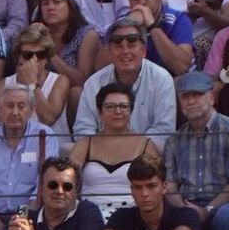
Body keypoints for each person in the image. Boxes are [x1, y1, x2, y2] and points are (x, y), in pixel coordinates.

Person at [162, 68, 229, 230]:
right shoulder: (174, 140)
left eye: (197, 95)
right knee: (165, 215)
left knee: (226, 216)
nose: (191, 101)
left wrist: (208, 209)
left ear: (211, 98)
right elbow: (170, 185)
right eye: (185, 97)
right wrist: (184, 210)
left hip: (226, 204)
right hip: (187, 205)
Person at [0, 85, 62, 230]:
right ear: (0, 109)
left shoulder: (45, 137)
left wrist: (20, 218)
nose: (15, 112)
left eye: (21, 106)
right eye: (9, 106)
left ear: (31, 110)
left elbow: (43, 187)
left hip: (30, 216)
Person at [74, 15, 176, 144]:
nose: (125, 51)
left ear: (144, 51)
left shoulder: (162, 79)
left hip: (146, 152)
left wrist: (129, 149)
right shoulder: (94, 83)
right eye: (118, 46)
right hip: (101, 151)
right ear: (110, 52)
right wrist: (106, 149)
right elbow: (83, 129)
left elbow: (164, 131)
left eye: (132, 45)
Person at [68, 80, 161, 215]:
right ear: (100, 112)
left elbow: (156, 183)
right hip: (89, 214)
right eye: (110, 106)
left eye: (123, 106)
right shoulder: (86, 143)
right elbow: (66, 176)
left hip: (132, 214)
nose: (118, 111)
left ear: (131, 111)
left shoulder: (145, 144)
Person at [0, 155, 105, 230]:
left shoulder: (88, 211)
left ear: (77, 191)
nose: (59, 191)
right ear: (41, 188)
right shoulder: (25, 214)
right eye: (52, 185)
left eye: (67, 186)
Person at [95, 153, 202, 230]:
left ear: (164, 187)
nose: (144, 193)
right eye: (138, 187)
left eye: (151, 186)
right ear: (131, 190)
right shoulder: (122, 216)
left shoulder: (187, 215)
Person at [34, 0, 105, 102]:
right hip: (42, 90)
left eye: (57, 2)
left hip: (74, 95)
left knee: (76, 92)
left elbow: (82, 81)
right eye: (45, 3)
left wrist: (50, 52)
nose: (50, 7)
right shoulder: (35, 33)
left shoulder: (87, 35)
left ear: (70, 6)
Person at [118, 0, 193, 75]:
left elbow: (181, 67)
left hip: (173, 80)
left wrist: (152, 26)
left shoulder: (178, 20)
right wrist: (127, 26)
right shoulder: (122, 22)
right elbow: (100, 67)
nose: (142, 1)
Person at [2, 24, 72, 135]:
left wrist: (32, 83)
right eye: (28, 55)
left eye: (41, 55)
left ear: (46, 59)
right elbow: (3, 127)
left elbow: (48, 119)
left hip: (53, 144)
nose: (34, 60)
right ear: (18, 57)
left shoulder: (60, 81)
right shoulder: (4, 84)